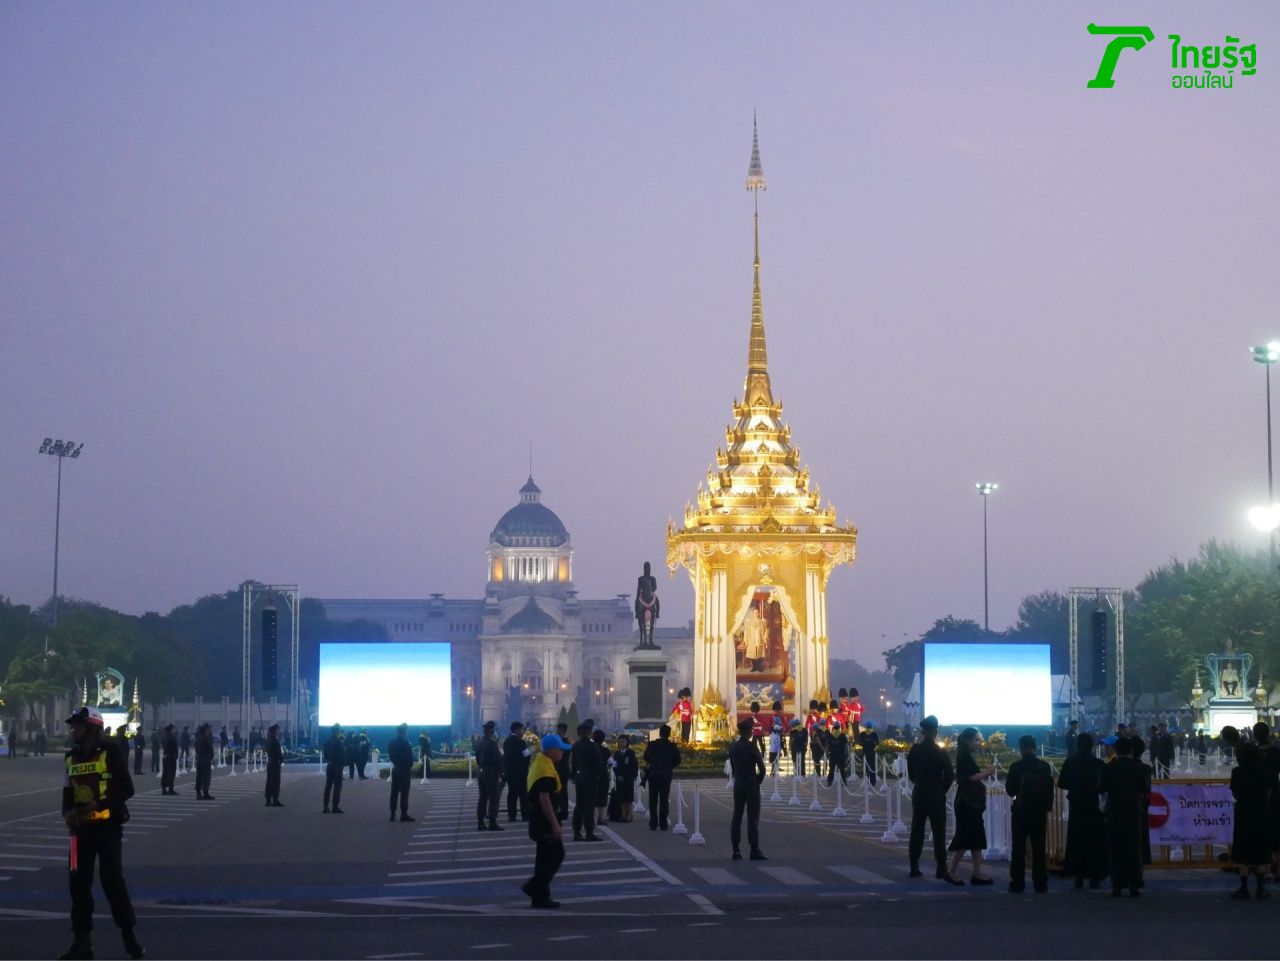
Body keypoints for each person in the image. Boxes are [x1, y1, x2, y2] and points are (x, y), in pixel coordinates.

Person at [58, 706, 144, 961]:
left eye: (78, 725)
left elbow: (126, 790)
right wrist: (67, 813)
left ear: (92, 728)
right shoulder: (70, 758)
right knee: (77, 885)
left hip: (107, 830)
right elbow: (66, 794)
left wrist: (100, 805)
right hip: (79, 833)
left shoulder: (111, 752)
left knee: (112, 882)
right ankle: (82, 942)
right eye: (73, 725)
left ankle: (129, 937)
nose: (73, 730)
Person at [522, 732, 571, 909]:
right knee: (556, 855)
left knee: (543, 858)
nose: (563, 753)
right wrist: (555, 824)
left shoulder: (543, 763)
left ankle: (540, 896)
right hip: (544, 820)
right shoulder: (545, 769)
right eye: (560, 749)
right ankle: (535, 889)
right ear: (551, 750)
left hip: (539, 818)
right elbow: (544, 799)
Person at [906, 715, 957, 883]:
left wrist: (920, 784)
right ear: (935, 732)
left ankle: (914, 866)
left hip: (920, 793)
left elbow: (911, 773)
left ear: (923, 732)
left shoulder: (915, 750)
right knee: (939, 832)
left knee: (917, 830)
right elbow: (949, 775)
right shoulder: (939, 751)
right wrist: (941, 789)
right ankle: (941, 868)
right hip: (935, 794)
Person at [1005, 734, 1053, 894]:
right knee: (1039, 847)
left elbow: (1010, 790)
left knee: (1018, 847)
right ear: (1035, 747)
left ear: (1021, 749)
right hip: (1039, 811)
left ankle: (1017, 883)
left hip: (1020, 811)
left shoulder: (1016, 766)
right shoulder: (1044, 766)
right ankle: (1041, 883)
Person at [947, 727, 995, 885]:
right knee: (965, 836)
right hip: (967, 803)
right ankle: (952, 871)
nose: (978, 743)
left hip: (970, 803)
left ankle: (977, 873)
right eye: (975, 740)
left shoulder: (965, 756)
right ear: (967, 741)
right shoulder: (964, 757)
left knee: (976, 838)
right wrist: (987, 772)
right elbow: (972, 778)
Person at [1057, 732, 1106, 888]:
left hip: (1076, 805)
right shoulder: (1098, 763)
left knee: (1076, 840)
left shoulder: (1070, 762)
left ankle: (1078, 876)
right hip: (1093, 805)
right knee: (1094, 841)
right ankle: (1094, 877)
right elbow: (1104, 785)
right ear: (1092, 746)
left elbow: (1062, 783)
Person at [1099, 737, 1143, 896]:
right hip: (1133, 809)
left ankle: (1117, 884)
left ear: (1115, 751)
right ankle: (1134, 884)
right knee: (1133, 847)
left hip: (1114, 810)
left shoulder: (1109, 768)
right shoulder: (1139, 768)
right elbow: (1145, 788)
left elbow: (1102, 787)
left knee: (1116, 847)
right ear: (1131, 751)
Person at [1230, 740, 1272, 899]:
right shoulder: (1265, 771)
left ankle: (1244, 888)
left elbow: (1235, 793)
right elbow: (1268, 792)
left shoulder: (1237, 772)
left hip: (1243, 813)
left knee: (1242, 851)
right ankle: (1261, 888)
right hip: (1261, 813)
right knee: (1261, 850)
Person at [728, 718, 767, 861]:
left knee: (737, 816)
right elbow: (762, 769)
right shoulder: (752, 746)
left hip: (738, 783)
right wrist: (758, 781)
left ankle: (736, 849)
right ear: (748, 731)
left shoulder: (733, 747)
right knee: (752, 818)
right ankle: (754, 849)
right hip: (751, 783)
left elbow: (732, 766)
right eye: (751, 730)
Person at [642, 724, 682, 830]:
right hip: (666, 775)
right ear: (669, 734)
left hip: (653, 774)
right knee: (664, 799)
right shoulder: (672, 746)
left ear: (659, 733)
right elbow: (678, 760)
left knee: (653, 799)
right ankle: (663, 823)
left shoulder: (652, 744)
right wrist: (669, 766)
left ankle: (653, 822)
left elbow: (646, 757)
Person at [569, 724, 601, 841]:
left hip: (579, 776)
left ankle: (577, 832)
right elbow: (598, 763)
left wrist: (573, 775)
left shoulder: (576, 745)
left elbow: (573, 762)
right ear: (588, 732)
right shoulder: (592, 745)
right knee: (590, 806)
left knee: (579, 805)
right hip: (590, 777)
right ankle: (589, 832)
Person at [476, 720, 504, 831]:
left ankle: (480, 822)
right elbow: (497, 760)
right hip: (491, 773)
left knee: (482, 798)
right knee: (494, 798)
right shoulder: (492, 743)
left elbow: (478, 759)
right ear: (491, 731)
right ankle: (492, 822)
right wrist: (502, 773)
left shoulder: (480, 742)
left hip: (481, 772)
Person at [503, 722, 531, 823]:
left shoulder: (506, 742)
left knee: (512, 794)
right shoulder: (521, 742)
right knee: (523, 794)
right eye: (522, 729)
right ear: (516, 730)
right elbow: (527, 756)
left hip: (510, 772)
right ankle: (525, 815)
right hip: (521, 772)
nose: (523, 732)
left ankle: (512, 816)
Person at [388, 723, 415, 822]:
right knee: (404, 793)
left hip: (395, 769)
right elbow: (410, 758)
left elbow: (391, 756)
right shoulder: (406, 743)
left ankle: (392, 814)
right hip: (404, 770)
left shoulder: (392, 743)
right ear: (404, 732)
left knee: (394, 792)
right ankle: (403, 814)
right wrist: (409, 766)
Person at [322, 723, 346, 814]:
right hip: (337, 766)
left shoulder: (328, 741)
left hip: (330, 765)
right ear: (337, 731)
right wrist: (343, 763)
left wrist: (329, 759)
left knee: (328, 786)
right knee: (337, 787)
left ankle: (325, 806)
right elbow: (342, 754)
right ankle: (335, 806)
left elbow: (325, 754)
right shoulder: (339, 741)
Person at [614, 734, 638, 822]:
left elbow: (635, 765)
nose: (621, 743)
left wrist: (633, 775)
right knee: (622, 797)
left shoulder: (631, 753)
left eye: (623, 741)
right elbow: (614, 766)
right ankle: (623, 815)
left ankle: (630, 814)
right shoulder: (617, 753)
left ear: (627, 742)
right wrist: (617, 775)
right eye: (620, 742)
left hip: (628, 777)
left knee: (629, 797)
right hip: (619, 778)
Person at [552, 722, 571, 821]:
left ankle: (564, 812)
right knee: (558, 792)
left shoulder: (564, 742)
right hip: (557, 769)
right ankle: (560, 811)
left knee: (562, 792)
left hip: (561, 770)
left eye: (558, 730)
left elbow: (560, 758)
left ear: (563, 731)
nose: (557, 732)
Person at [592, 729, 611, 827]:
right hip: (603, 775)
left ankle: (590, 818)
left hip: (590, 775)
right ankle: (600, 818)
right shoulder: (605, 750)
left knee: (591, 797)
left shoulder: (589, 748)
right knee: (602, 796)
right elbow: (611, 763)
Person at [193, 723, 215, 800]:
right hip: (205, 760)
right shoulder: (206, 739)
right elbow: (210, 749)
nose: (209, 731)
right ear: (205, 731)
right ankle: (205, 793)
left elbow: (196, 748)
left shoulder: (198, 739)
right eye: (208, 729)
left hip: (199, 759)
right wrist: (211, 757)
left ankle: (198, 793)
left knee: (199, 777)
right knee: (206, 777)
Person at [264, 724, 284, 807]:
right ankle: (275, 799)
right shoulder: (274, 741)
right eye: (277, 730)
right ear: (274, 732)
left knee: (269, 782)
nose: (278, 732)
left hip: (271, 763)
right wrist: (281, 759)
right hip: (275, 763)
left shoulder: (270, 741)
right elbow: (277, 753)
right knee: (275, 782)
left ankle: (268, 800)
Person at [826, 722, 850, 788]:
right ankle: (844, 781)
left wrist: (827, 753)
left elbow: (828, 745)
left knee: (831, 769)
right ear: (839, 727)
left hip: (833, 754)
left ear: (833, 727)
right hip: (840, 755)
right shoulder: (842, 735)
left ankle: (829, 781)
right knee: (842, 769)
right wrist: (846, 753)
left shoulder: (831, 735)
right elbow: (845, 745)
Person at [857, 721, 880, 786]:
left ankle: (867, 782)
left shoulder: (863, 734)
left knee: (866, 768)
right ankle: (872, 782)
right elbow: (878, 743)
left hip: (865, 753)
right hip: (871, 753)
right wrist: (874, 747)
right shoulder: (874, 734)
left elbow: (859, 742)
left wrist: (864, 744)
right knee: (872, 768)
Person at [160, 724, 178, 796]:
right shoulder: (170, 738)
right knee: (171, 774)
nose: (174, 730)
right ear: (171, 730)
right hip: (170, 757)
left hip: (166, 757)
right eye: (173, 729)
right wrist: (174, 754)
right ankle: (170, 789)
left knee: (165, 773)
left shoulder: (165, 737)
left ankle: (164, 789)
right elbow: (171, 748)